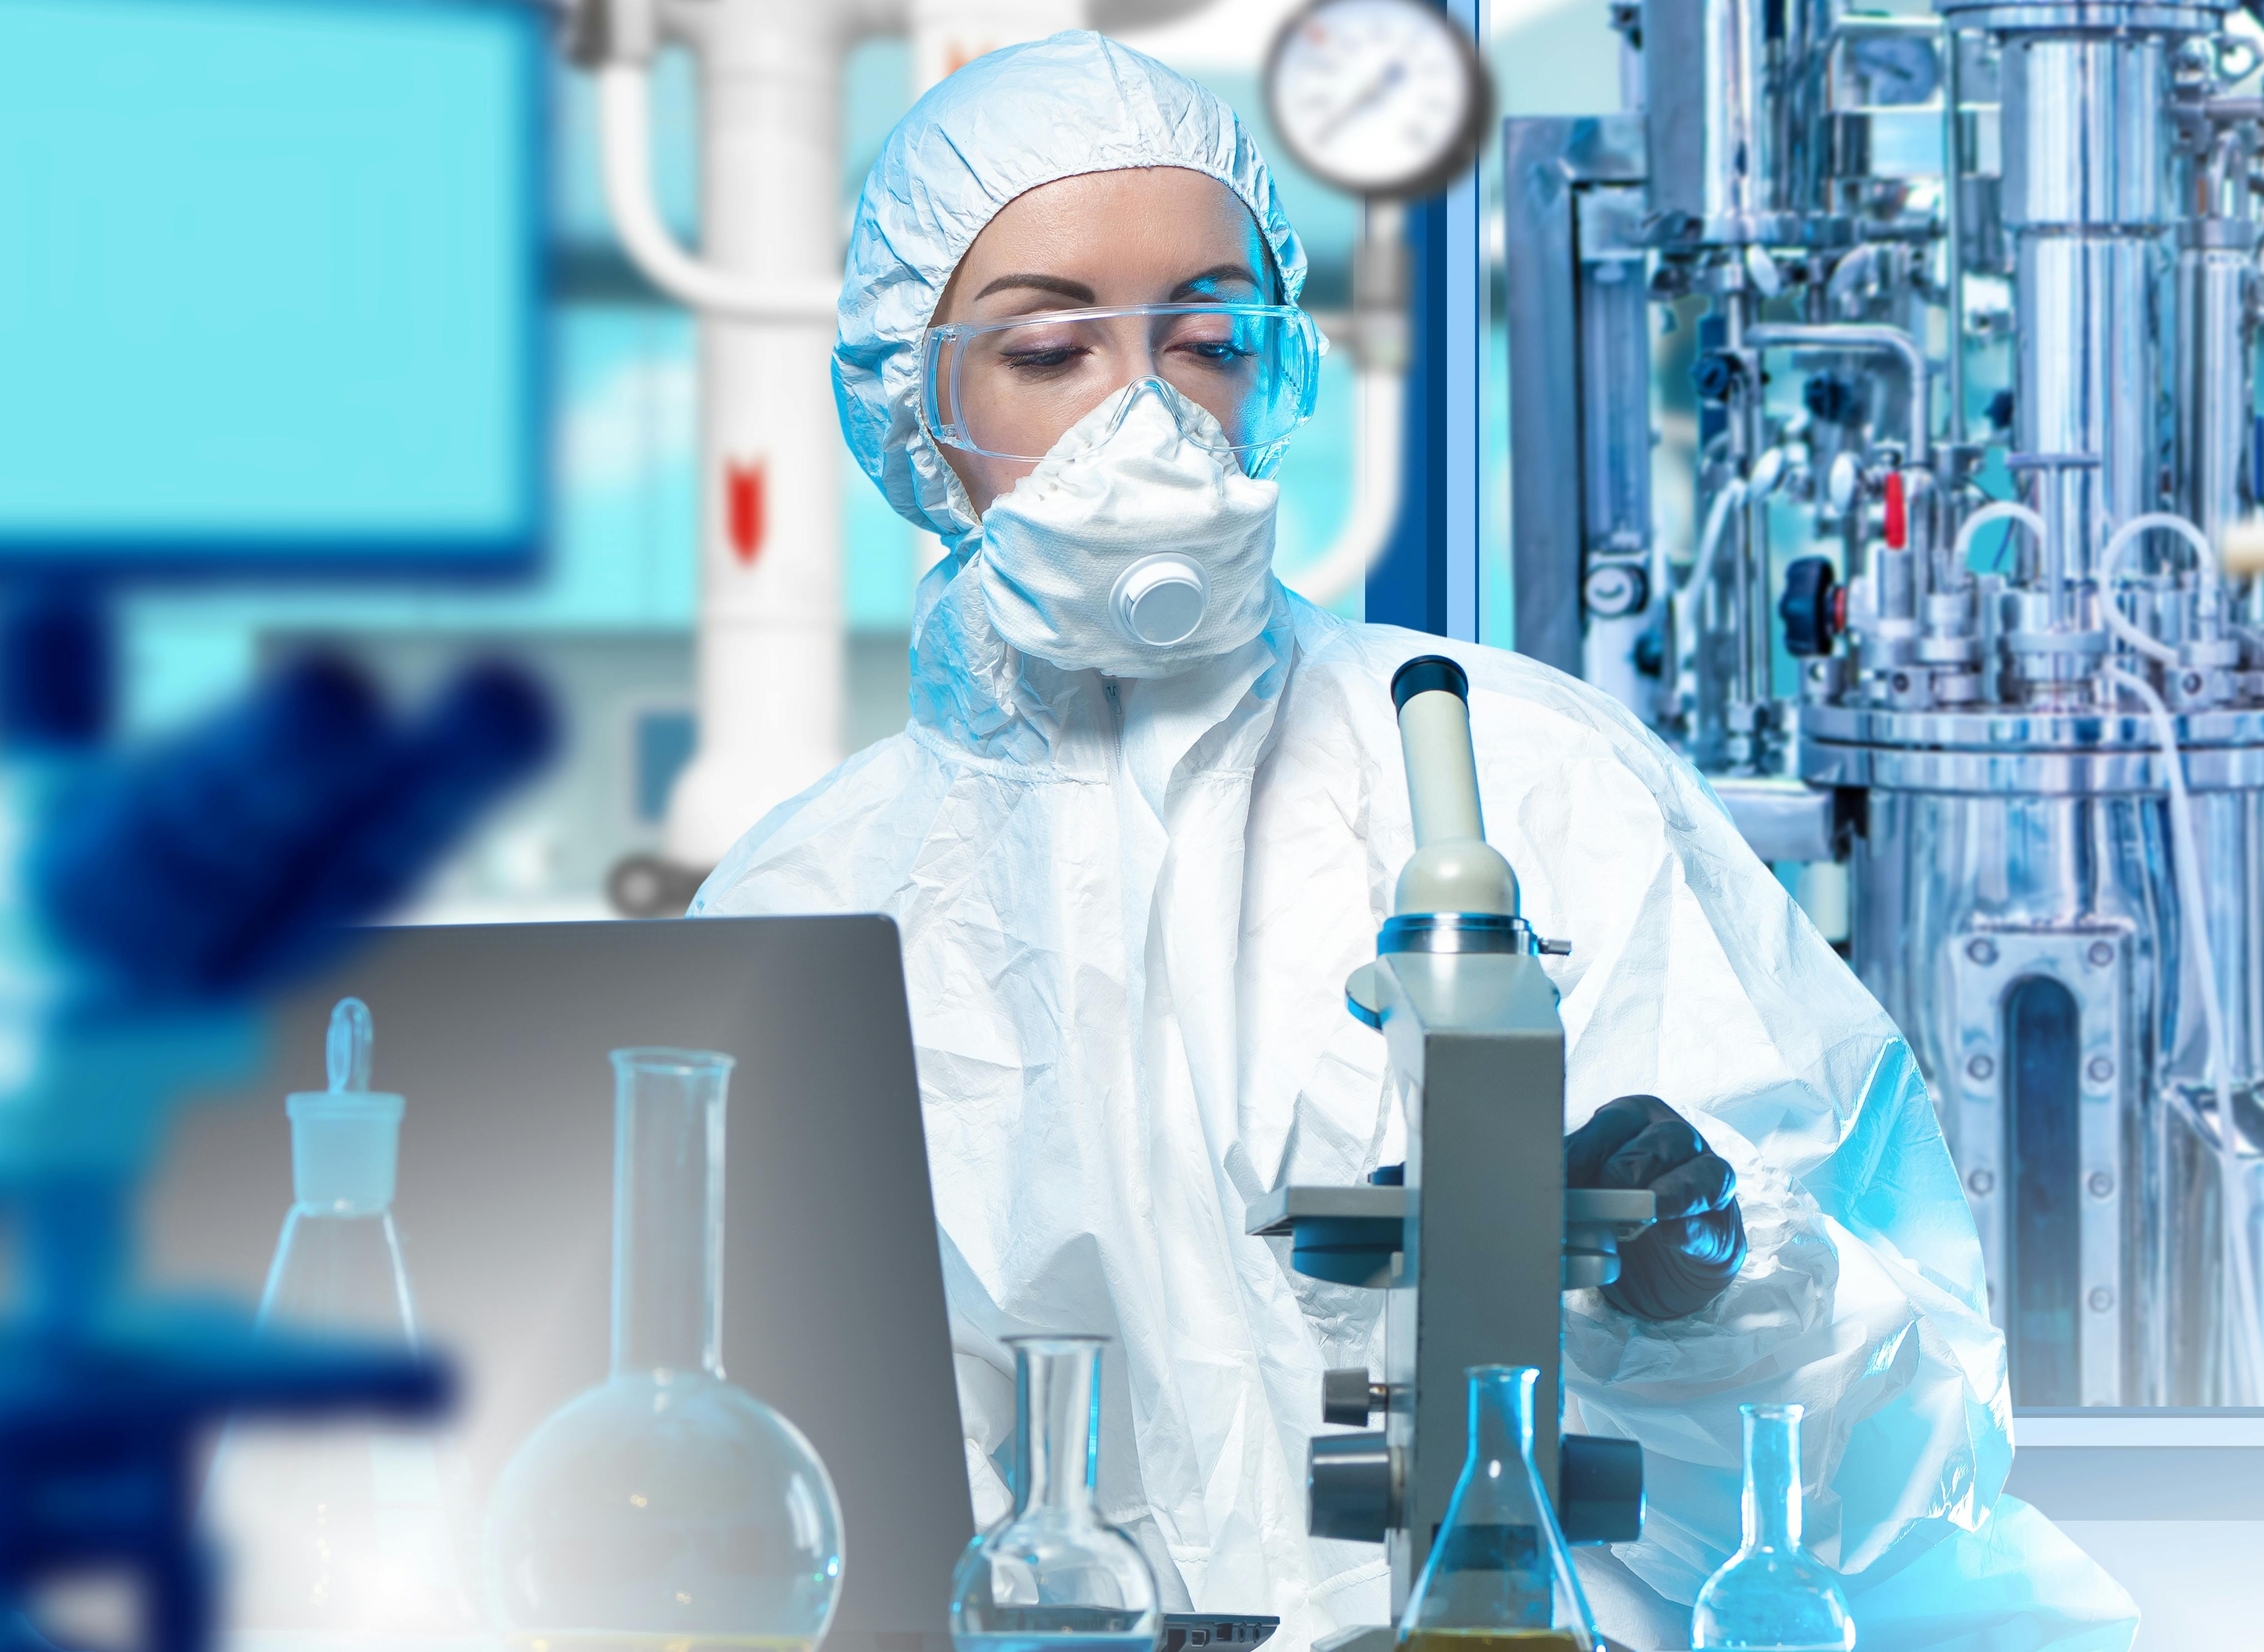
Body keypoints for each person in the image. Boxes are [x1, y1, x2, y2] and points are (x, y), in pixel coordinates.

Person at [693, 30, 2134, 1650]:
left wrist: (1693, 1288)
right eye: (1049, 353)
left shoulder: (1524, 770)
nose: (1145, 420)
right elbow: (731, 1495)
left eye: (1209, 341)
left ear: (1278, 370)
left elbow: (1883, 1473)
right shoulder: (809, 904)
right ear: (915, 405)